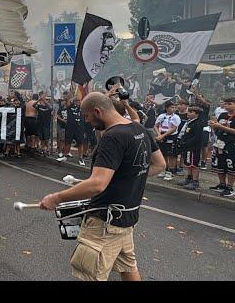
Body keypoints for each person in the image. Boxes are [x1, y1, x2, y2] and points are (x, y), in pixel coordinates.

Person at [39, 92, 166, 281]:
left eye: (87, 116)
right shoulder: (139, 129)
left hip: (105, 222)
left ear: (97, 111)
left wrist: (56, 198)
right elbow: (159, 165)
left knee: (89, 275)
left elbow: (97, 184)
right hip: (127, 218)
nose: (87, 121)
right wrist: (124, 178)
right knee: (128, 269)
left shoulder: (113, 137)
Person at [208, 97, 235, 197]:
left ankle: (230, 187)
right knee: (219, 164)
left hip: (231, 144)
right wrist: (213, 126)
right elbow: (217, 130)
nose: (227, 105)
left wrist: (221, 126)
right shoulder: (223, 115)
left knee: (231, 166)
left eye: (229, 103)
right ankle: (222, 184)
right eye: (226, 103)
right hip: (220, 143)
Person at [176, 106, 203, 190]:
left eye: (191, 112)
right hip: (187, 147)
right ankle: (189, 178)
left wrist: (186, 143)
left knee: (194, 164)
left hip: (193, 147)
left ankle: (195, 181)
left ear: (197, 114)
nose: (188, 113)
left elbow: (196, 137)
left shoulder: (198, 123)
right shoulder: (189, 122)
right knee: (188, 164)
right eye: (189, 111)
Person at [154, 101, 181, 181]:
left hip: (171, 136)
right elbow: (156, 126)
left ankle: (170, 172)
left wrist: (163, 136)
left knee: (171, 155)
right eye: (171, 107)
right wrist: (159, 134)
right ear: (167, 108)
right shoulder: (162, 116)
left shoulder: (176, 117)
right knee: (163, 154)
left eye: (174, 107)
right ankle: (164, 170)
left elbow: (173, 128)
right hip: (161, 135)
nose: (173, 109)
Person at [65, 96, 86, 166]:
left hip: (80, 128)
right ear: (73, 101)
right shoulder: (70, 107)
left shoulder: (83, 108)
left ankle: (80, 157)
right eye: (77, 100)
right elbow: (67, 101)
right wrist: (71, 94)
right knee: (68, 142)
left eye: (79, 100)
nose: (79, 102)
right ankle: (66, 154)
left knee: (80, 143)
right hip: (71, 128)